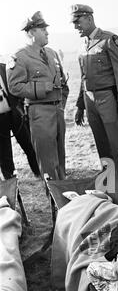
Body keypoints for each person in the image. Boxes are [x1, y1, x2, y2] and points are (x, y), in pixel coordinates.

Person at [7, 11, 68, 180]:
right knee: (47, 159)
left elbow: (63, 82)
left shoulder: (52, 53)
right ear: (31, 32)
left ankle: (63, 191)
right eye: (42, 29)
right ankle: (54, 198)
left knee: (60, 156)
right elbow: (14, 86)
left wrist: (61, 103)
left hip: (58, 110)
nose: (47, 32)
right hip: (39, 112)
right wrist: (44, 87)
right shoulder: (20, 56)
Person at [71, 4, 118, 164]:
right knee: (100, 140)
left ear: (89, 18)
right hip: (90, 99)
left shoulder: (109, 40)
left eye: (78, 21)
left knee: (116, 139)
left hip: (107, 96)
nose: (75, 27)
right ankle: (108, 177)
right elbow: (83, 78)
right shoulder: (82, 46)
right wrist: (81, 105)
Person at [0, 62, 40, 179]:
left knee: (28, 143)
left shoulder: (5, 68)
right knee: (4, 152)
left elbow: (17, 87)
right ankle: (10, 180)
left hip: (15, 114)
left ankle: (39, 172)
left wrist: (20, 106)